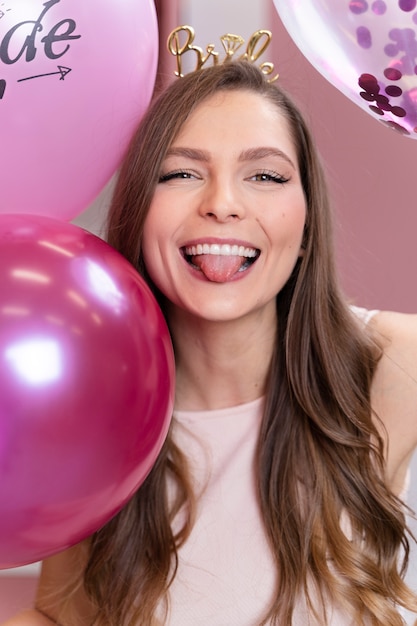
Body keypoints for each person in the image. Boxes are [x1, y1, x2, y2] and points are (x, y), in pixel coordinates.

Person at [4, 57, 417, 626]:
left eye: (265, 176)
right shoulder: (93, 414)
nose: (222, 203)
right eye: (181, 173)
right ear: (138, 215)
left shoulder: (394, 364)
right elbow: (54, 616)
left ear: (305, 229)